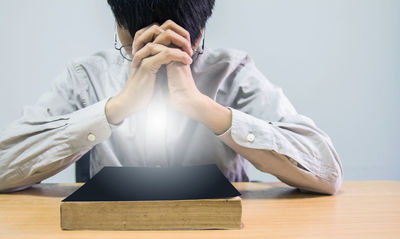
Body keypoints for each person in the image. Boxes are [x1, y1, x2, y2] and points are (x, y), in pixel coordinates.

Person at [0, 0, 343, 194]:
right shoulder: (87, 76)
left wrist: (201, 106)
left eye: (178, 44)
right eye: (139, 45)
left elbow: (327, 172)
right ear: (121, 29)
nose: (158, 58)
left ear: (200, 34)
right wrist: (116, 109)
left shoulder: (232, 72)